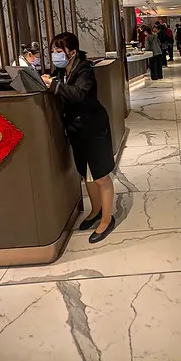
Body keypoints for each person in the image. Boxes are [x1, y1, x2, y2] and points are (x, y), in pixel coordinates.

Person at [41, 32, 116, 243]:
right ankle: (96, 210)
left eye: (59, 50)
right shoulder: (61, 70)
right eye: (53, 50)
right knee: (85, 174)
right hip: (76, 129)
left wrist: (54, 85)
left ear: (72, 52)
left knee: (100, 175)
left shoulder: (84, 69)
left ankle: (107, 219)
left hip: (93, 128)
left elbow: (79, 94)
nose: (55, 54)